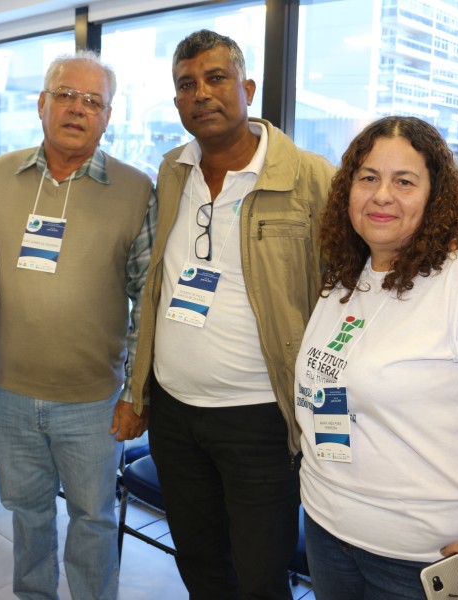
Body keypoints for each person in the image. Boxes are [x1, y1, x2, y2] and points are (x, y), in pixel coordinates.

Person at [131, 30, 335, 599]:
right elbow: (155, 289)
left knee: (260, 574)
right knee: (197, 559)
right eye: (187, 84)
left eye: (216, 78)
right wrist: (138, 390)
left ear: (246, 88)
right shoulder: (173, 172)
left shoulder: (310, 178)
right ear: (177, 103)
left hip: (260, 420)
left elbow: (348, 284)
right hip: (174, 416)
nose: (203, 93)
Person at [0, 50, 156, 600]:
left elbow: (146, 302)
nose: (77, 109)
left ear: (108, 116)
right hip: (8, 393)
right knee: (27, 516)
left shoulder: (135, 189)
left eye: (92, 101)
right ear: (41, 104)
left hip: (93, 402)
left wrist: (135, 394)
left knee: (93, 519)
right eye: (66, 95)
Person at [294, 116, 458, 600]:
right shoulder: (349, 275)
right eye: (368, 177)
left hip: (420, 558)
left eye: (404, 181)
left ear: (436, 197)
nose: (382, 195)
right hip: (328, 533)